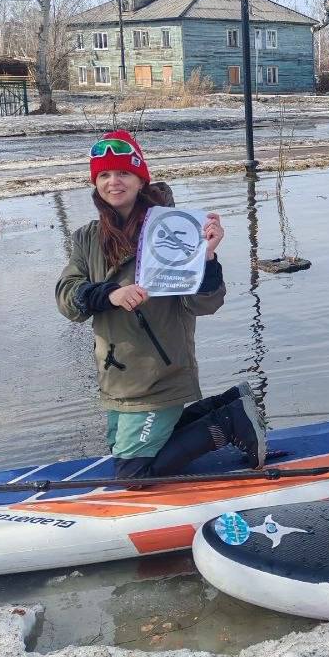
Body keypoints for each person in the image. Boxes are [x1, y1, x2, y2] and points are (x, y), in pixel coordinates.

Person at [56, 130, 266, 480]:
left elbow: (204, 304)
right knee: (121, 452)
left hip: (159, 376)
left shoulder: (174, 229)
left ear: (141, 179)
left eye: (123, 173)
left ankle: (228, 422)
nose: (113, 182)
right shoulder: (86, 238)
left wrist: (206, 257)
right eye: (104, 175)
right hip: (116, 377)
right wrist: (108, 294)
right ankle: (230, 405)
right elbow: (67, 297)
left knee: (133, 473)